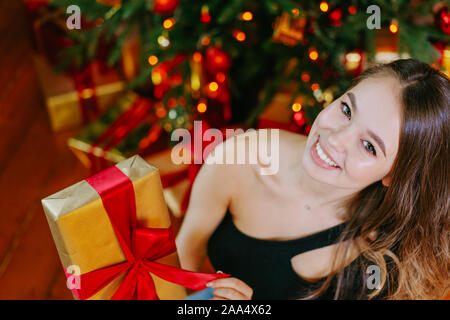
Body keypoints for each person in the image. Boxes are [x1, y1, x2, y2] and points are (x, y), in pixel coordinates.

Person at [176, 59, 450, 300]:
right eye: (346, 110)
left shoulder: (384, 259)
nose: (335, 139)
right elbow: (182, 262)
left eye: (369, 146)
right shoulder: (241, 156)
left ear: (394, 174)